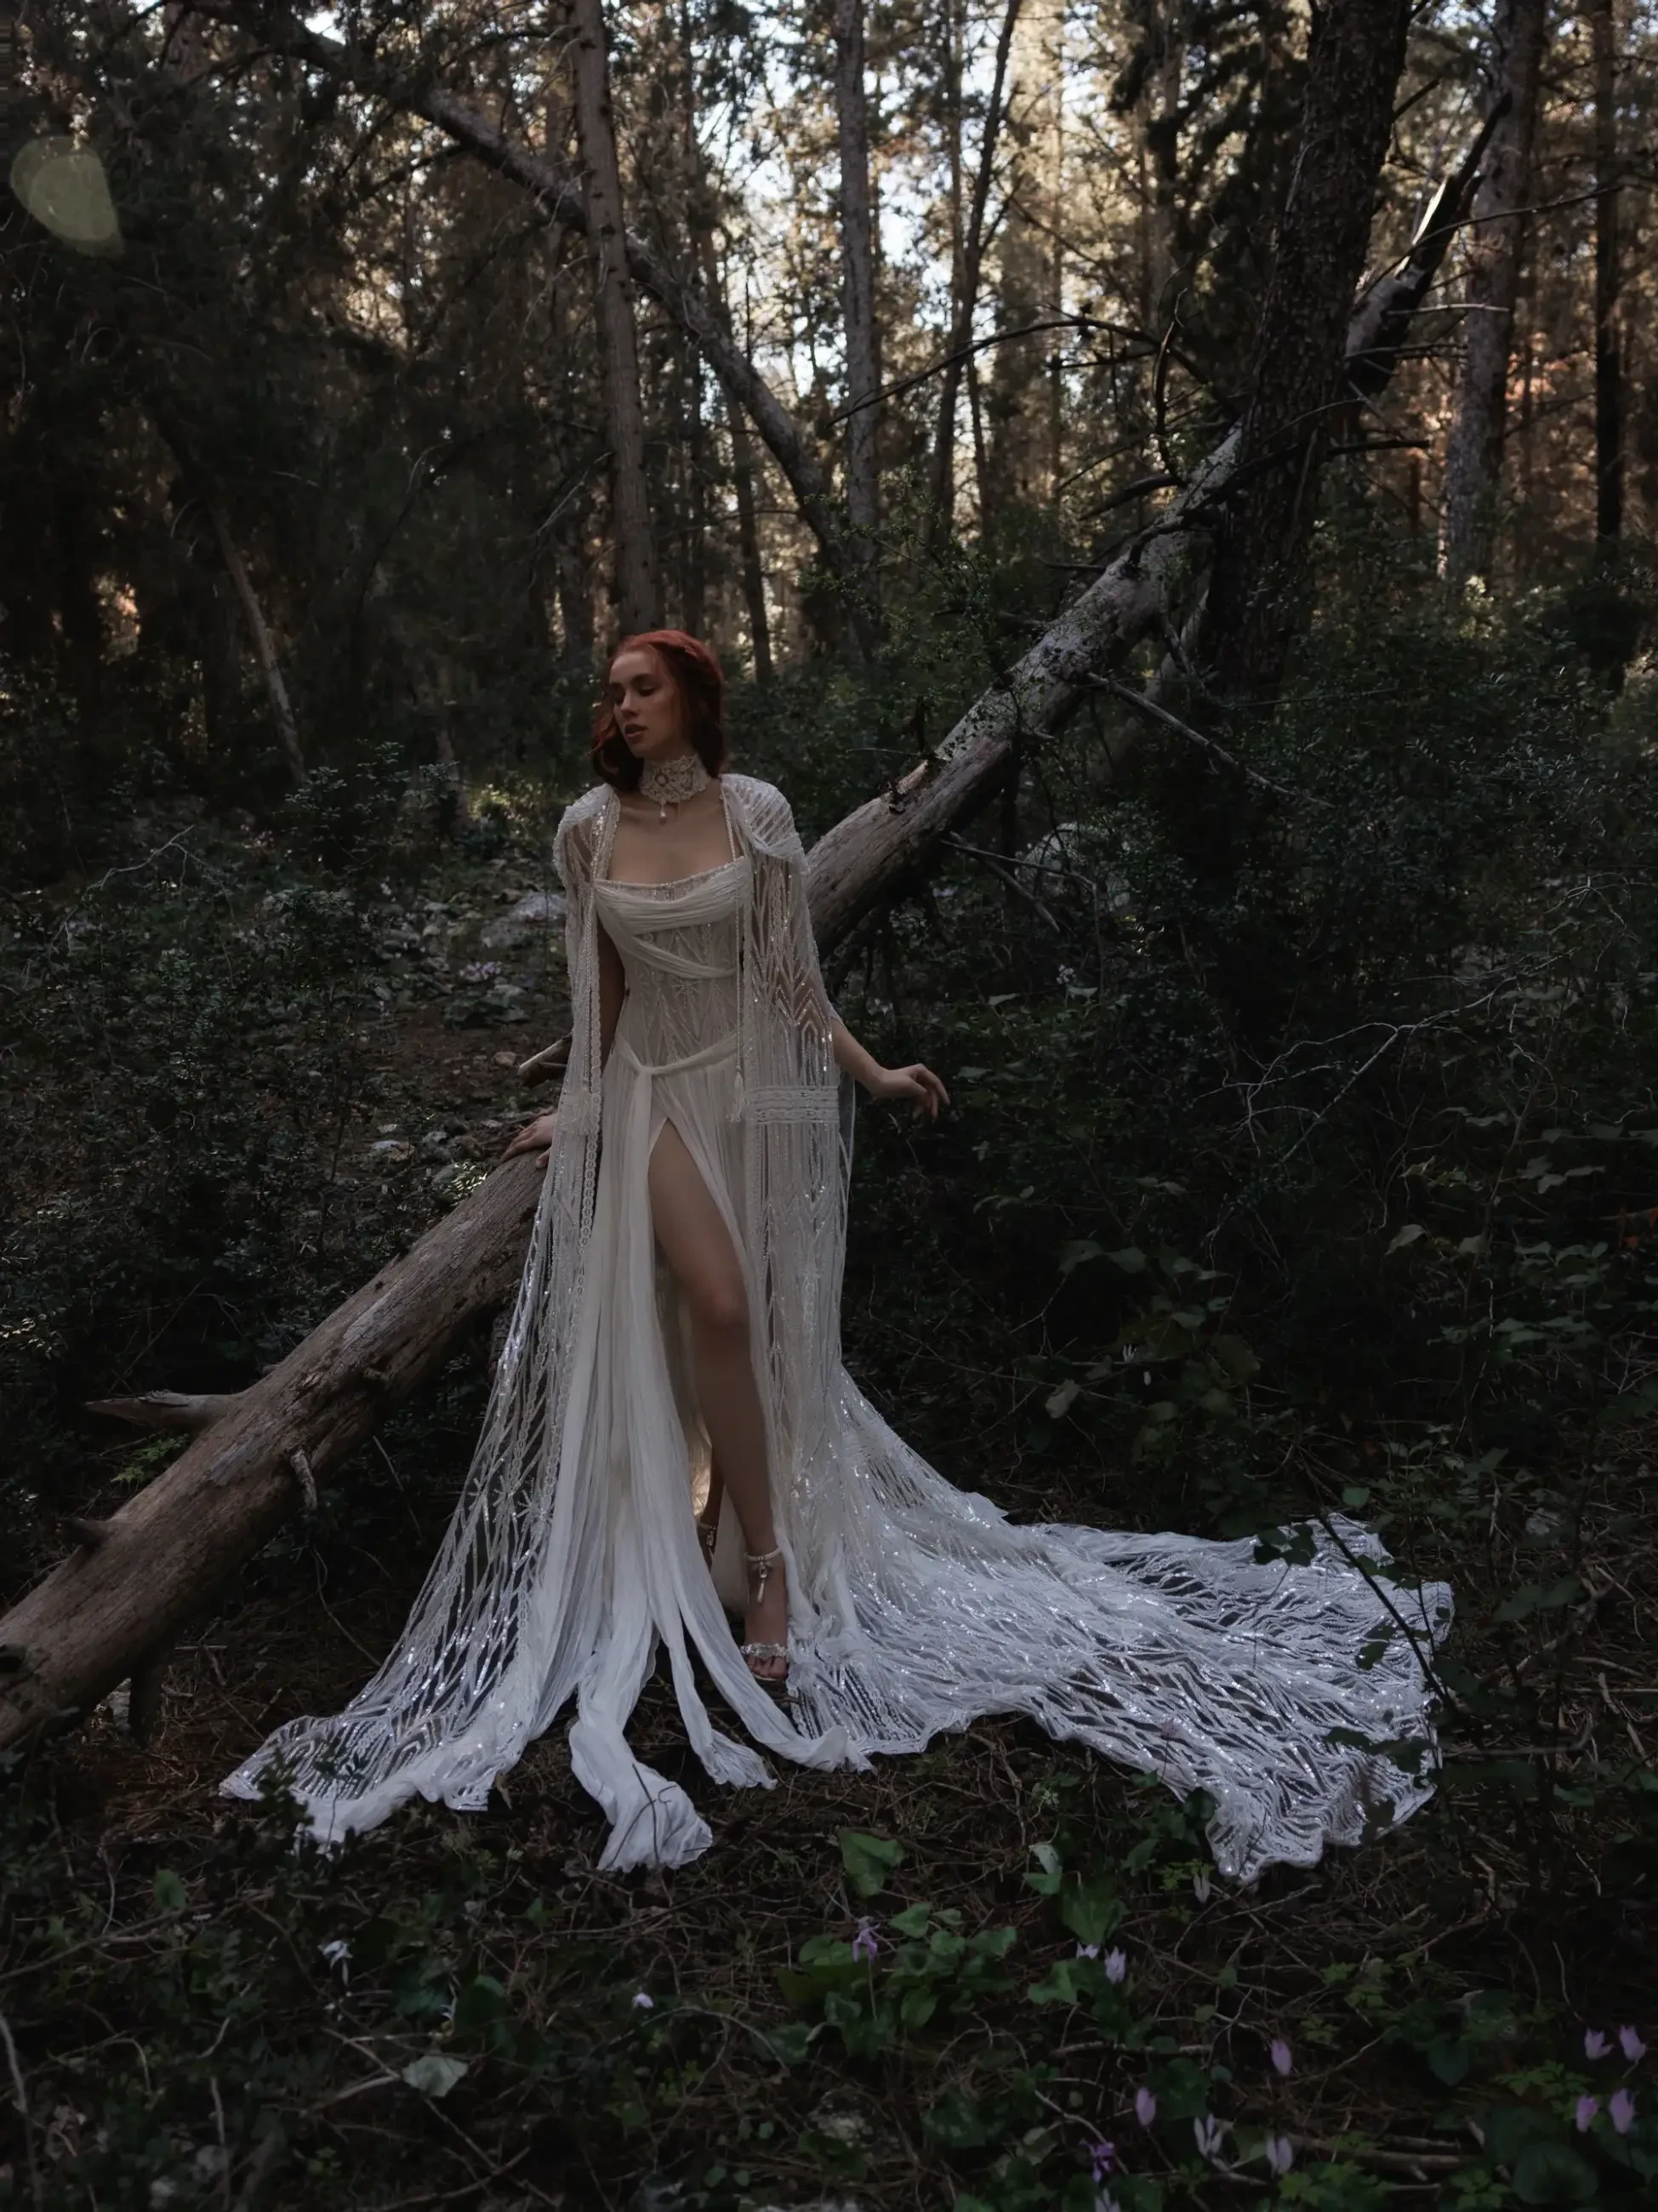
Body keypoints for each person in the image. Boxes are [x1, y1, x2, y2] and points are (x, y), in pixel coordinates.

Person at [225, 630, 1452, 1878]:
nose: (623, 705)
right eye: (613, 691)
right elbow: (596, 1001)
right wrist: (576, 1112)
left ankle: (749, 1542)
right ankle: (767, 1568)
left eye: (645, 687)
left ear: (698, 700)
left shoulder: (756, 811)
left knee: (752, 1323)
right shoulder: (588, 829)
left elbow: (789, 977)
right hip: (651, 1095)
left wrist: (866, 1070)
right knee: (716, 1294)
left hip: (753, 1091)